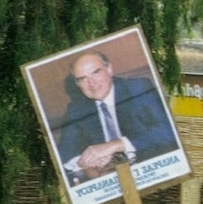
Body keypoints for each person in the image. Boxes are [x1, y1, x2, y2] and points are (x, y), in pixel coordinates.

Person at [57, 51, 179, 184]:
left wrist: (115, 145)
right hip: (108, 180)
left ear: (109, 69)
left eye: (96, 72)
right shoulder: (76, 109)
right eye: (82, 79)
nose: (91, 83)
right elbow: (64, 154)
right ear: (77, 84)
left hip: (151, 172)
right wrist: (88, 162)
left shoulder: (137, 88)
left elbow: (169, 132)